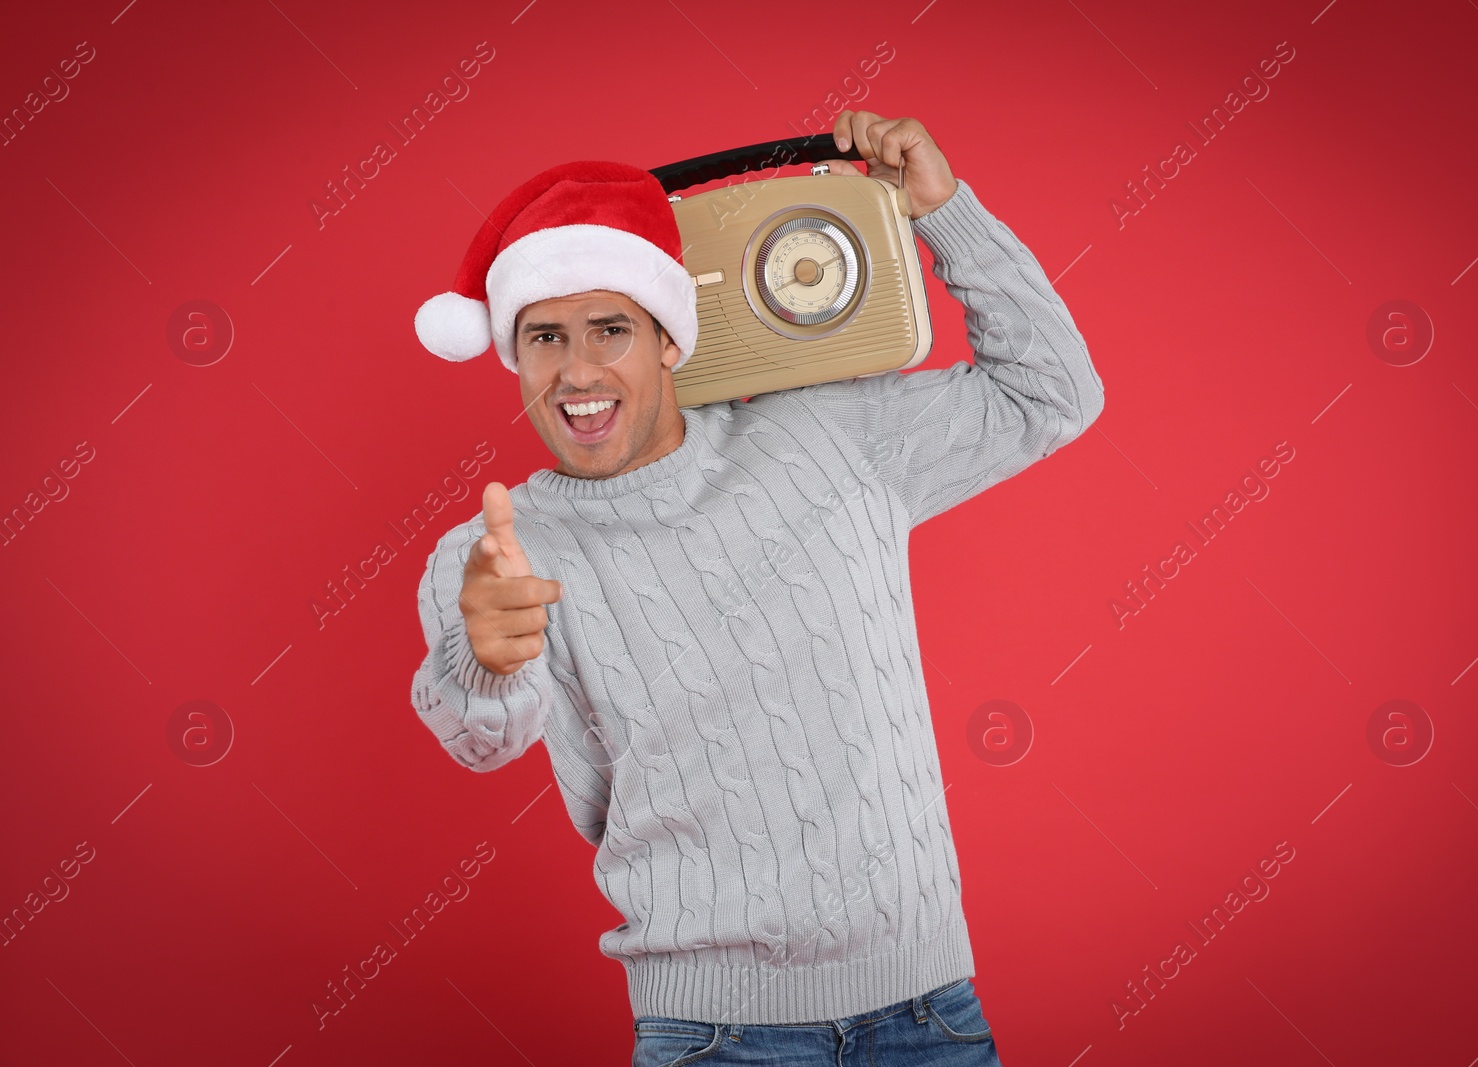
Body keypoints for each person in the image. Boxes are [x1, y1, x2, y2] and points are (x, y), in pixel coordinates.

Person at [409, 110, 1105, 1065]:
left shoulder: (827, 438)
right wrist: (484, 659)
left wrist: (947, 213)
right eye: (544, 338)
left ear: (669, 340)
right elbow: (483, 741)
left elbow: (1052, 392)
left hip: (929, 1008)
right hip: (713, 1033)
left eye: (611, 329)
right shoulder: (497, 550)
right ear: (513, 356)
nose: (577, 370)